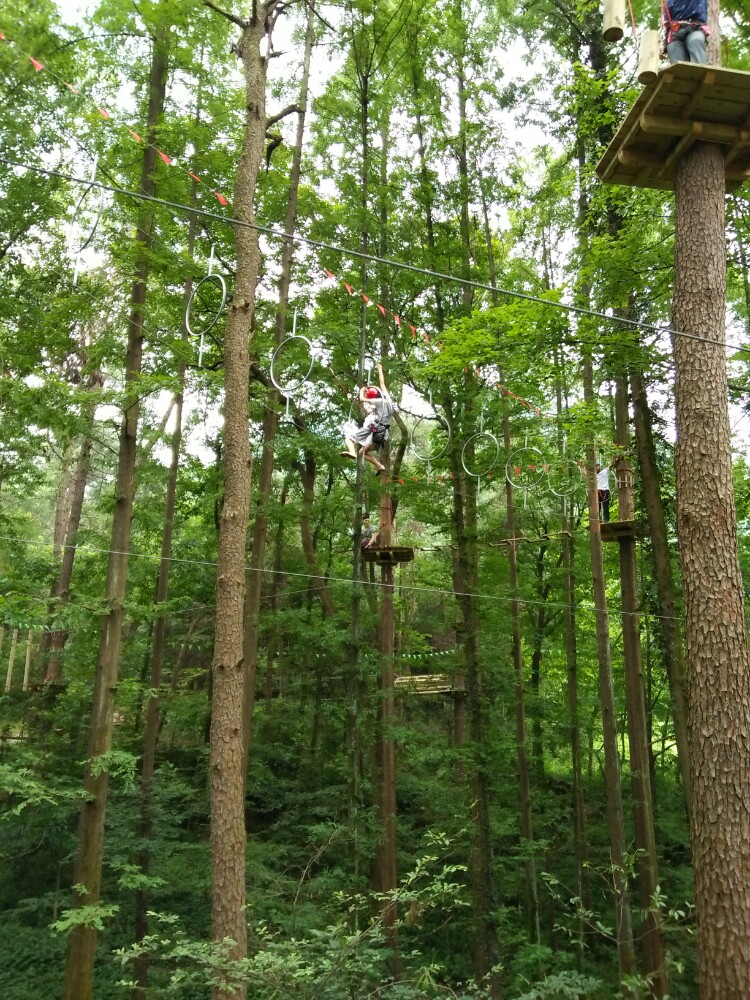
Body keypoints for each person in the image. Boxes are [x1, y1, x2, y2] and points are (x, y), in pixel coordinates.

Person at [340, 362, 394, 475]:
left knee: (348, 438)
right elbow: (382, 384)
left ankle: (351, 452)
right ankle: (380, 465)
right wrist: (380, 369)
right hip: (382, 435)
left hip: (374, 431)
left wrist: (361, 391)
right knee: (362, 452)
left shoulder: (378, 401)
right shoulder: (388, 400)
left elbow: (362, 399)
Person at [662, 0, 708, 64]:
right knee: (673, 49)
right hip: (675, 32)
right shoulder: (669, 1)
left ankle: (699, 72)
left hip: (695, 28)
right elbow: (666, 23)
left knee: (695, 41)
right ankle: (680, 73)